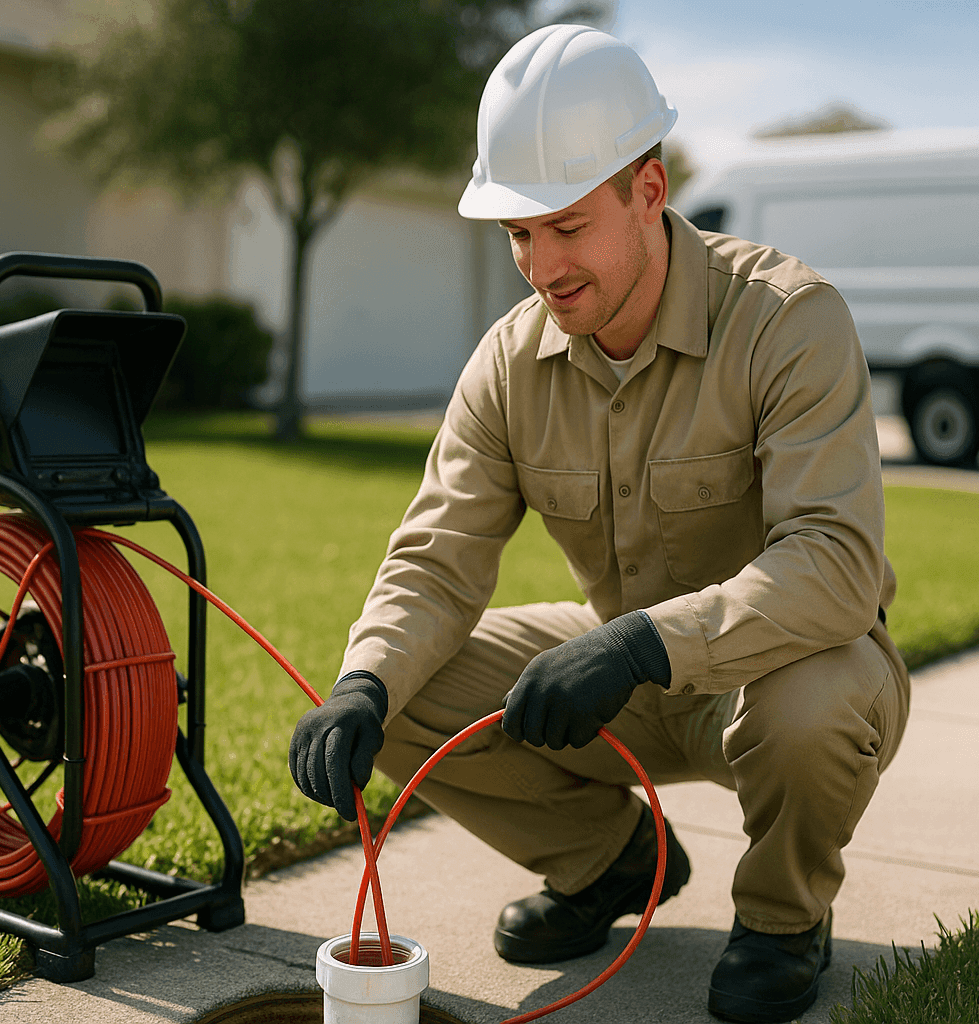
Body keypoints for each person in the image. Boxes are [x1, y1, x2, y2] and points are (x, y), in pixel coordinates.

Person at [288, 23, 910, 1024]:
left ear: (649, 193)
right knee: (404, 687)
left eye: (567, 225)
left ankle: (786, 918)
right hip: (623, 673)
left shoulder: (791, 321)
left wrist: (644, 643)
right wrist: (365, 682)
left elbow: (837, 566)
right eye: (519, 234)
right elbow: (438, 556)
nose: (541, 264)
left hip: (781, 668)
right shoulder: (507, 362)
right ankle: (610, 861)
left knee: (813, 706)